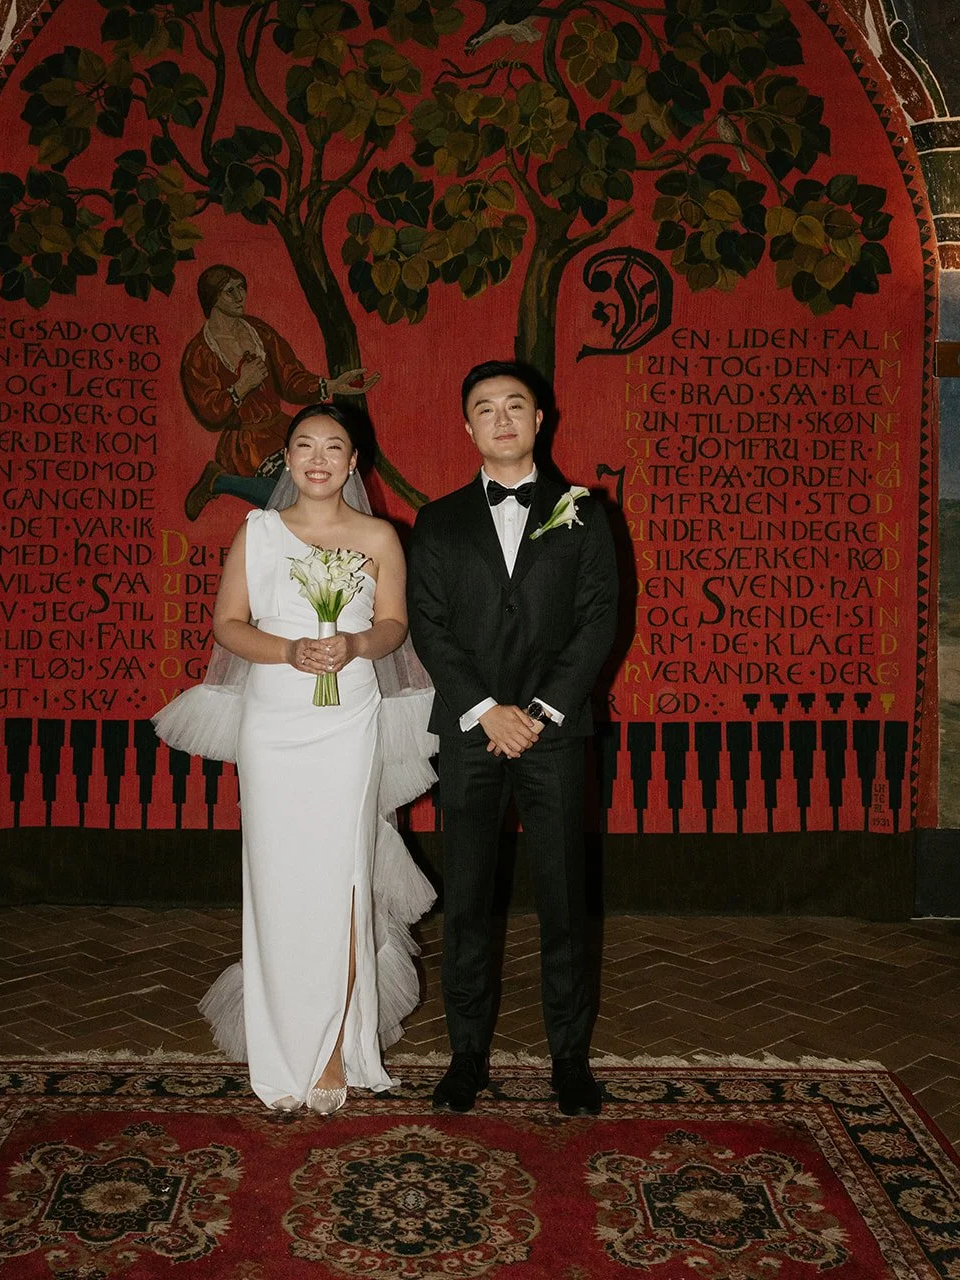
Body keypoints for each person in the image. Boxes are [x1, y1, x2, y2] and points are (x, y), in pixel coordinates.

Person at [154, 403, 435, 1113]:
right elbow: (227, 625)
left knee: (343, 876)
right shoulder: (258, 533)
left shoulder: (378, 535)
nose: (318, 457)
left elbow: (394, 623)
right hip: (274, 717)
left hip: (349, 714)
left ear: (352, 464)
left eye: (333, 446)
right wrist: (288, 651)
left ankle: (339, 1044)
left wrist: (352, 646)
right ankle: (283, 1045)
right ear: (286, 459)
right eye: (303, 445)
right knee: (277, 880)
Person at [407, 361, 618, 1117]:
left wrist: (540, 709)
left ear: (540, 419)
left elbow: (598, 619)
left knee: (563, 897)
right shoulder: (435, 522)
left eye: (514, 406)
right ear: (466, 427)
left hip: (554, 734)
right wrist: (485, 709)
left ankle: (569, 1059)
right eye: (484, 408)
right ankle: (466, 1055)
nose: (500, 419)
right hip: (471, 734)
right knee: (467, 897)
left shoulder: (584, 512)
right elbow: (429, 624)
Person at [179, 264, 378, 519]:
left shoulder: (258, 332)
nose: (240, 296)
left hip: (279, 430)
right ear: (212, 298)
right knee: (294, 498)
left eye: (242, 288)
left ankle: (218, 482)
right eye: (230, 291)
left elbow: (289, 378)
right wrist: (242, 386)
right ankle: (219, 481)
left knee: (311, 492)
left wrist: (332, 385)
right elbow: (208, 411)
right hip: (246, 444)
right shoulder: (200, 352)